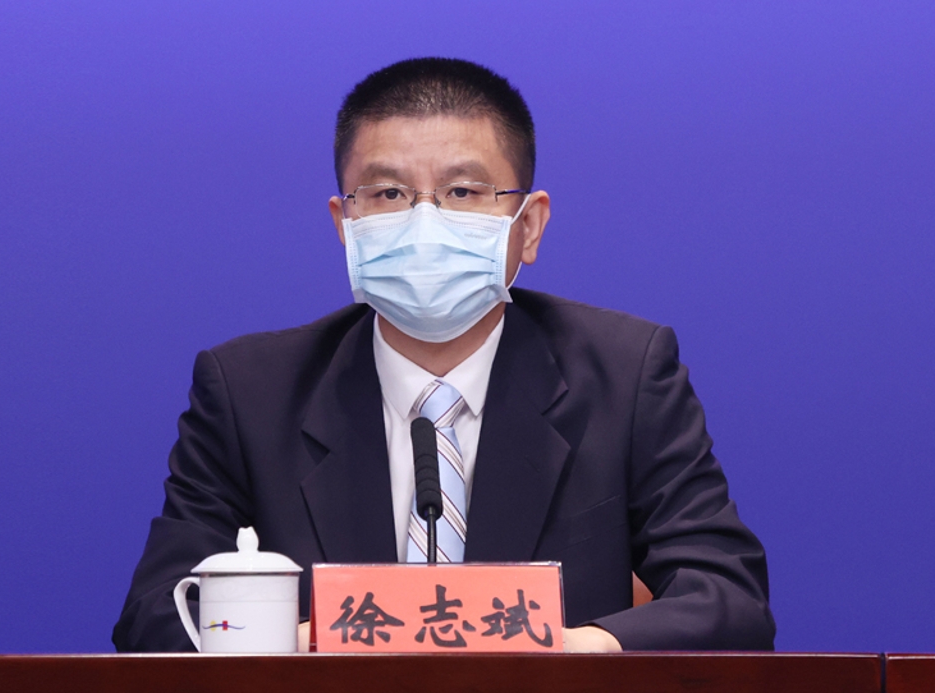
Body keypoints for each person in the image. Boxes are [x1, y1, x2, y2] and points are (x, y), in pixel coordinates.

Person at [113, 57, 775, 653]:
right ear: (345, 224)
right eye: (389, 194)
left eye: (462, 192)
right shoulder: (251, 392)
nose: (423, 222)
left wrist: (581, 649)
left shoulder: (625, 376)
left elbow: (729, 599)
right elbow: (154, 614)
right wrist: (306, 642)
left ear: (528, 225)